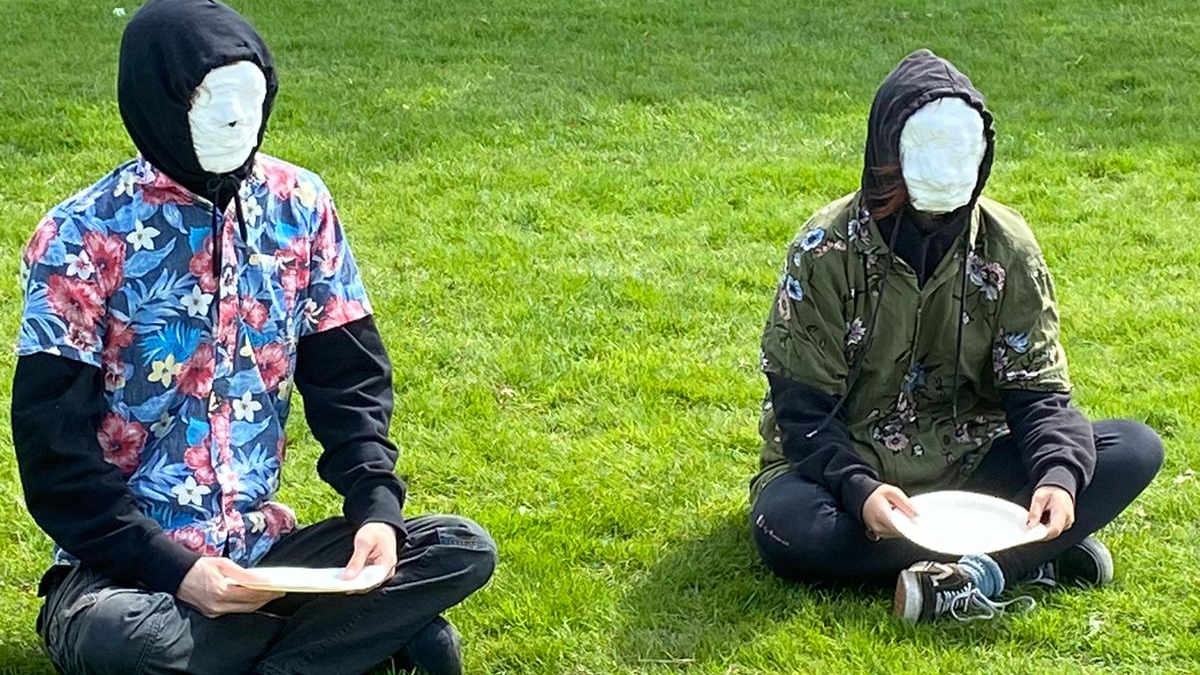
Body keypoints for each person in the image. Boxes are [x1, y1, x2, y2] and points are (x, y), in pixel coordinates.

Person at [11, 1, 496, 672]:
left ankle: (282, 654)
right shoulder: (81, 238)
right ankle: (349, 644)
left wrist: (376, 511)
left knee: (461, 545)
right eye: (212, 100)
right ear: (156, 105)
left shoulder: (301, 205)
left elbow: (348, 381)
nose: (236, 118)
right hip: (127, 572)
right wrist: (177, 570)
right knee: (119, 639)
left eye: (250, 96)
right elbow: (53, 455)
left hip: (264, 555)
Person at [748, 49, 1163, 623]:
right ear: (885, 155)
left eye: (961, 152)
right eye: (927, 151)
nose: (945, 168)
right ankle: (1036, 555)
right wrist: (860, 490)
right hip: (851, 473)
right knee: (793, 532)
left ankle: (976, 575)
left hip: (971, 464)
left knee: (1134, 448)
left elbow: (1039, 392)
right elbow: (802, 412)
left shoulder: (1007, 244)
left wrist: (1058, 480)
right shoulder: (825, 250)